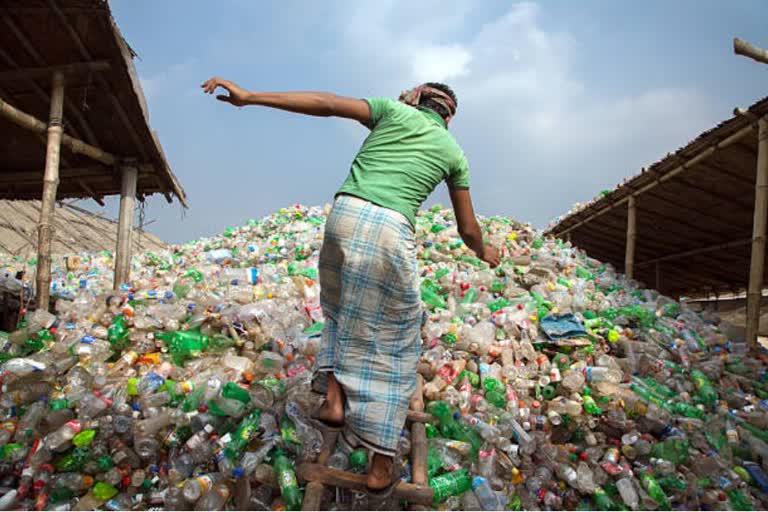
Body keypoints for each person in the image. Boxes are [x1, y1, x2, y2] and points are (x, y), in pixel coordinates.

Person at [202, 77, 500, 495]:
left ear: (415, 99)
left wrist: (251, 97)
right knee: (396, 340)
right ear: (449, 116)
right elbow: (468, 229)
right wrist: (485, 251)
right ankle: (381, 465)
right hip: (391, 230)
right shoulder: (454, 152)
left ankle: (336, 401)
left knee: (341, 310)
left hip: (344, 214)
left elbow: (324, 102)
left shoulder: (392, 112)